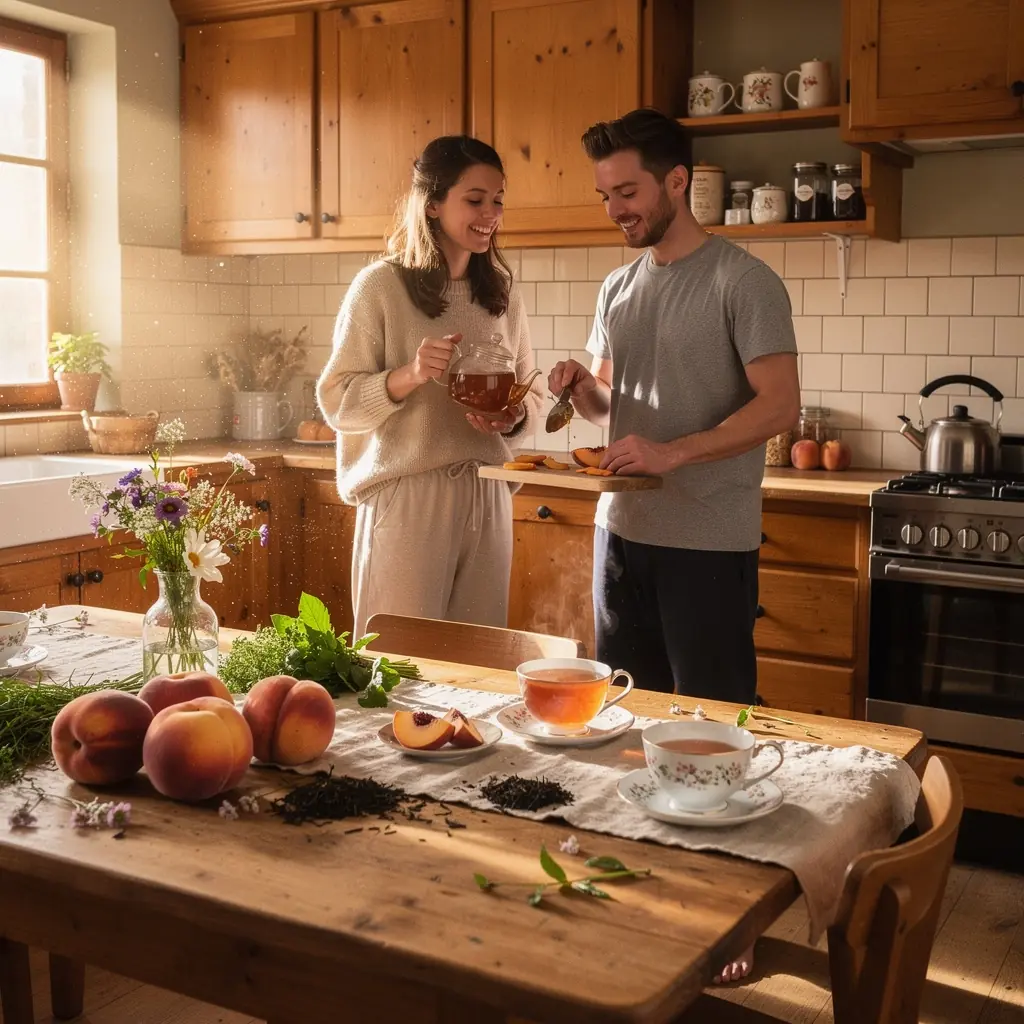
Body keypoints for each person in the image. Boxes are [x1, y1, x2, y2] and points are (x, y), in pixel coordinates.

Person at [549, 109, 800, 982]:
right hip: (622, 532)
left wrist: (674, 452)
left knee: (713, 722)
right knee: (629, 720)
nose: (615, 207)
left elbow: (779, 409)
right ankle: (648, 890)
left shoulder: (744, 280)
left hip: (707, 537)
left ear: (677, 182)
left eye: (627, 191)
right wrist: (583, 387)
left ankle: (733, 915)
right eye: (605, 194)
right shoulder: (618, 288)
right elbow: (611, 408)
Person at [317, 135, 542, 640]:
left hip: (488, 491)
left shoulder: (501, 292)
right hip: (408, 494)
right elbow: (337, 402)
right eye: (476, 199)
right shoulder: (380, 287)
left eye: (499, 200)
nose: (491, 213)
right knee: (397, 659)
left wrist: (514, 416)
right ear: (433, 203)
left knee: (478, 666)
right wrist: (409, 376)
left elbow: (532, 390)